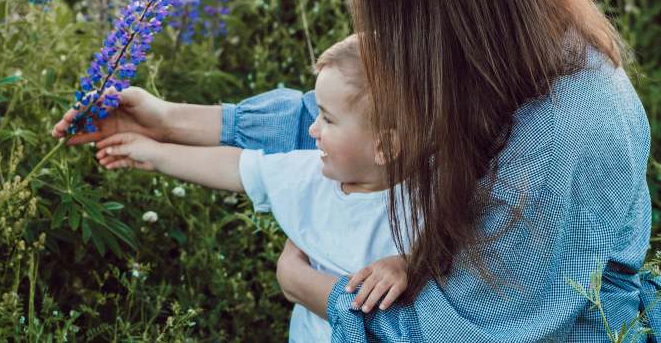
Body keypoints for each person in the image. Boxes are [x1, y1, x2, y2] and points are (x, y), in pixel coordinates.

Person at [55, 0, 661, 341]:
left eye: (384, 3)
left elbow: (455, 332)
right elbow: (352, 117)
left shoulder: (566, 134)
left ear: (443, 6)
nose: (373, 27)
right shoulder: (509, 50)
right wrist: (166, 121)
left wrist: (308, 286)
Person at [69, 35, 410, 342]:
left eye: (328, 119)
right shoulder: (311, 175)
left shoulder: (428, 199)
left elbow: (449, 258)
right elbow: (237, 167)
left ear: (385, 146)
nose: (312, 130)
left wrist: (406, 263)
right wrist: (155, 153)